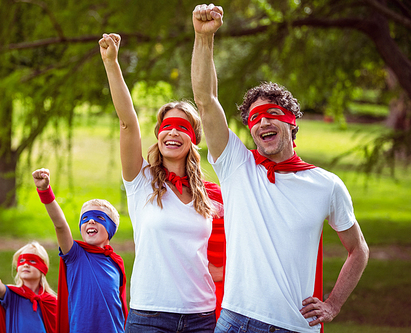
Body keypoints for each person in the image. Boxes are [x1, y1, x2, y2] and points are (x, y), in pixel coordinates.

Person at [191, 4, 370, 333]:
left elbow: (358, 249)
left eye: (271, 114)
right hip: (232, 320)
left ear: (291, 123)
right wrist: (204, 39)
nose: (262, 123)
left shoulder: (326, 185)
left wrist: (333, 304)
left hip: (292, 326)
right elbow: (205, 99)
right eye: (254, 119)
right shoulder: (237, 165)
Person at [99, 32, 225, 332]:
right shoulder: (140, 180)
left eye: (182, 127)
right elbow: (127, 122)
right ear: (158, 134)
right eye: (166, 126)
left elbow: (218, 265)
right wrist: (112, 63)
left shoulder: (209, 196)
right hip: (150, 316)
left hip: (201, 315)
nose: (172, 133)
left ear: (193, 139)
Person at [32, 168, 128, 333]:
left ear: (111, 229)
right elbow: (60, 225)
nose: (90, 220)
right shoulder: (75, 254)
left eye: (99, 218)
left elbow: (120, 302)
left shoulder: (116, 261)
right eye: (85, 218)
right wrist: (44, 191)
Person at [0, 241, 57, 333]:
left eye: (32, 261)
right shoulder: (12, 294)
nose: (25, 264)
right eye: (21, 261)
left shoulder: (51, 301)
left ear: (43, 268)